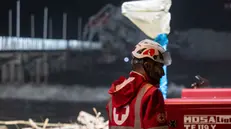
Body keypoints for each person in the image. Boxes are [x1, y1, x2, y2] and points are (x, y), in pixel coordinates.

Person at [106, 39, 171, 129]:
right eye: (159, 67)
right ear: (148, 65)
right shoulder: (152, 94)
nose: (162, 73)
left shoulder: (115, 93)